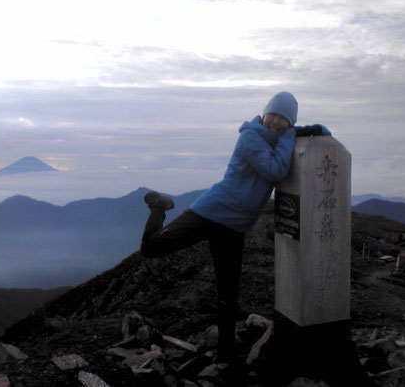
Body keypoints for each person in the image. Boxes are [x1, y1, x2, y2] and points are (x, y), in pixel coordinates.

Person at [140, 91, 330, 369]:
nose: (276, 122)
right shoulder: (251, 137)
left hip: (233, 227)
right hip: (210, 212)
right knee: (151, 248)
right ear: (264, 114)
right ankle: (159, 205)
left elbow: (320, 132)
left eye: (284, 119)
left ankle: (225, 356)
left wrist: (313, 130)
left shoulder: (279, 138)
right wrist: (291, 133)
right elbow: (275, 170)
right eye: (273, 115)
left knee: (228, 295)